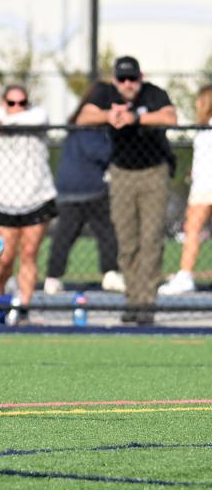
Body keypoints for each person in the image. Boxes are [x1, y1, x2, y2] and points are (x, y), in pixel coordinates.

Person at [76, 56, 177, 325]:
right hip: (121, 175)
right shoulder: (105, 93)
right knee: (127, 241)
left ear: (140, 77)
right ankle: (133, 300)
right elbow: (83, 116)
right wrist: (108, 115)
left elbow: (170, 117)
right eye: (122, 79)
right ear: (114, 80)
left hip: (154, 173)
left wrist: (136, 118)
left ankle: (147, 302)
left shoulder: (153, 93)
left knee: (151, 240)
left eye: (133, 78)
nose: (128, 84)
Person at [0, 84, 56, 325]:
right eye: (11, 103)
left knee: (29, 254)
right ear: (2, 103)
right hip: (3, 200)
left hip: (37, 197)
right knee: (3, 259)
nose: (17, 107)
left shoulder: (36, 117)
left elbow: (39, 117)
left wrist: (5, 121)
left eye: (22, 103)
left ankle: (23, 308)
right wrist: (1, 118)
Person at [43, 83, 125, 295]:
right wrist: (118, 145)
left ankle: (54, 277)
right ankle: (106, 273)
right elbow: (101, 153)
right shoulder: (88, 127)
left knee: (69, 235)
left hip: (74, 188)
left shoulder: (78, 124)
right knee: (95, 233)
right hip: (86, 189)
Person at [159, 84, 212, 295]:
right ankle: (185, 275)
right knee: (192, 229)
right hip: (202, 182)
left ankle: (185, 274)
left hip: (205, 185)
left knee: (192, 230)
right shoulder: (203, 127)